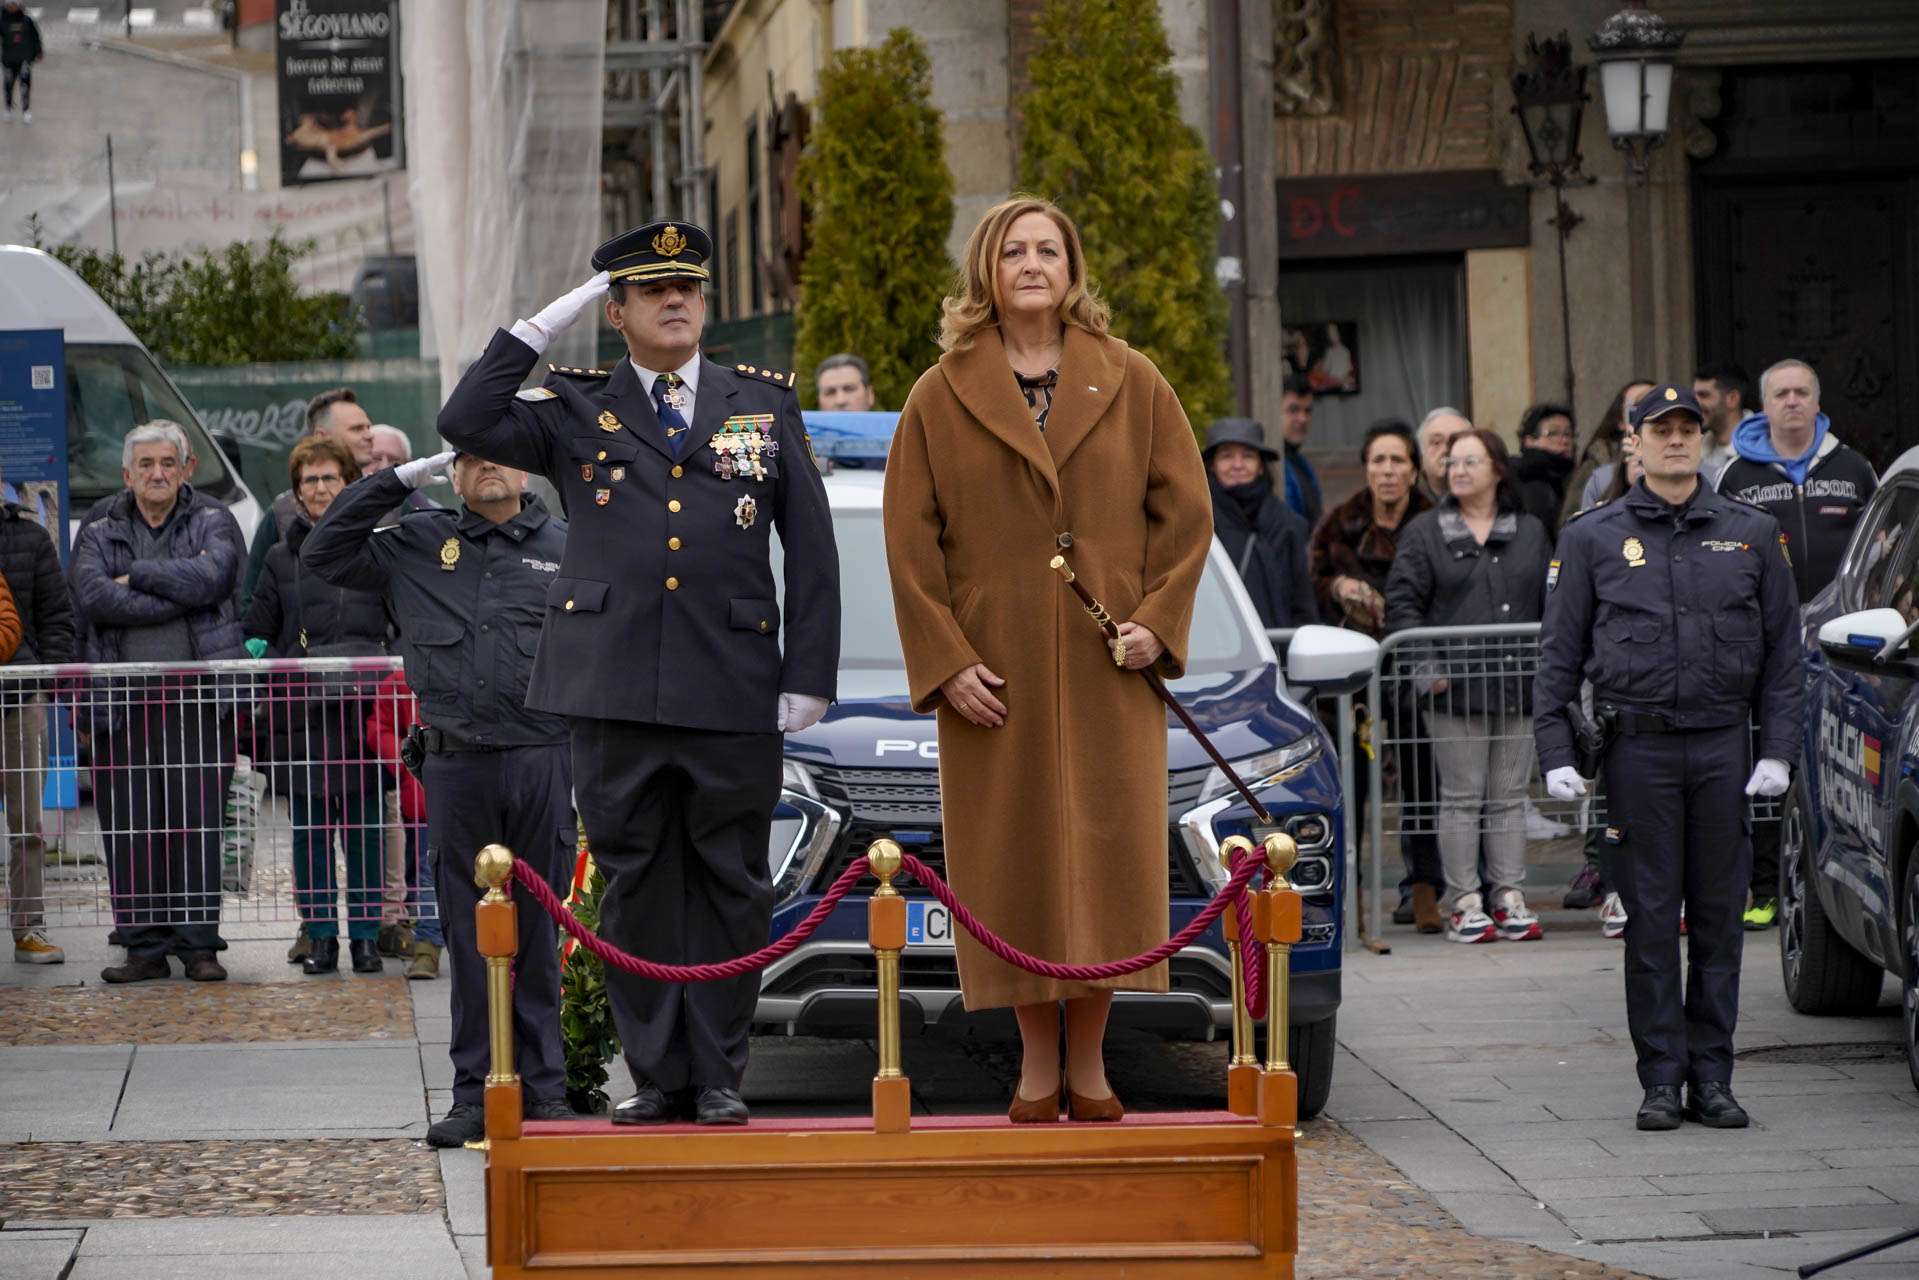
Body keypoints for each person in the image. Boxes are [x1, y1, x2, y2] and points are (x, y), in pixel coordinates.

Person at [436, 218, 841, 1129]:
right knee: (635, 882)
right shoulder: (576, 405)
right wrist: (541, 326)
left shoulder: (761, 403)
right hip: (613, 687)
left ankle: (721, 1072)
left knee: (731, 880)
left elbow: (811, 548)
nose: (674, 302)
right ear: (616, 311)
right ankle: (659, 1075)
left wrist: (806, 672)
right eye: (652, 292)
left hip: (732, 685)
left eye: (687, 290)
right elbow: (464, 421)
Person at [883, 195, 1211, 1123]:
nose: (1032, 263)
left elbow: (1185, 518)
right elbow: (909, 545)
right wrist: (946, 663)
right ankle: (1034, 1063)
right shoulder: (938, 393)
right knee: (1014, 864)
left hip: (1111, 667)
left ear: (1072, 268)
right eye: (1014, 251)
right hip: (997, 676)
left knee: (1107, 862)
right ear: (987, 272)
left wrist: (1158, 622)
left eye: (1049, 249)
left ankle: (1093, 1062)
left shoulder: (1133, 379)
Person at [1535, 383, 1802, 1132]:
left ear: (1702, 438)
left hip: (1721, 745)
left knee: (1718, 920)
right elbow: (1557, 654)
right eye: (1661, 430)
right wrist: (1555, 749)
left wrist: (1776, 750)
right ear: (1635, 441)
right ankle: (1660, 1079)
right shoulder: (1591, 537)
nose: (1676, 440)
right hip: (1638, 753)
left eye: (1688, 428)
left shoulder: (1749, 532)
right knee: (1650, 921)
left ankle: (1711, 1078)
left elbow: (1784, 653)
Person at [303, 447, 576, 1144]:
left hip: (543, 756)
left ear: (526, 471)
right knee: (465, 930)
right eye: (472, 459)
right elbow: (324, 551)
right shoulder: (419, 544)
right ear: (451, 474)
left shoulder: (568, 546)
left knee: (538, 931)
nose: (490, 468)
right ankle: (474, 1093)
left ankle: (544, 1090)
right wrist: (395, 479)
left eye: (503, 457)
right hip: (458, 765)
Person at [70, 421, 245, 984]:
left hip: (198, 703)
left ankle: (198, 946)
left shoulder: (214, 518)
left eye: (168, 463)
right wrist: (177, 597)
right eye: (145, 464)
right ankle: (142, 947)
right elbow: (95, 595)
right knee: (130, 826)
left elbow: (214, 577)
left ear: (186, 468)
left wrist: (139, 576)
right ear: (127, 474)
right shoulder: (98, 526)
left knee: (196, 824)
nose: (157, 473)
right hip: (121, 706)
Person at [1714, 358, 1875, 931]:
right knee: (1766, 767)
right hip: (1761, 647)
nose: (1792, 402)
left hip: (1839, 645)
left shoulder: (1854, 468)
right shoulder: (1735, 477)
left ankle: (1833, 886)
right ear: (1764, 404)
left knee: (1834, 766)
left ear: (1817, 398)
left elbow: (1878, 553)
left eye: (1801, 392)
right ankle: (1764, 889)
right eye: (1780, 393)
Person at [1386, 429, 1552, 943]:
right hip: (1451, 691)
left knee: (1507, 797)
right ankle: (1464, 900)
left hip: (1517, 685)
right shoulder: (1425, 532)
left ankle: (1508, 895)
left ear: (1498, 470)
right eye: (1452, 462)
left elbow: (1553, 602)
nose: (1458, 470)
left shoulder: (1528, 531)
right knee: (1461, 796)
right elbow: (1403, 605)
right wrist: (1424, 668)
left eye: (1470, 461)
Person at [243, 438, 391, 976]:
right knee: (308, 835)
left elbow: (401, 622)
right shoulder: (282, 557)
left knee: (365, 832)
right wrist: (267, 662)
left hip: (365, 712)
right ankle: (323, 936)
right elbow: (257, 628)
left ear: (350, 482)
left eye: (330, 477)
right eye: (310, 480)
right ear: (297, 492)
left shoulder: (378, 548)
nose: (321, 488)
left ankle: (368, 937)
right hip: (303, 714)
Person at [1309, 420, 1442, 929]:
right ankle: (1353, 895)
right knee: (1355, 783)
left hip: (1416, 671)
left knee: (1420, 778)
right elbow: (1314, 580)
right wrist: (1340, 587)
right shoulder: (1338, 523)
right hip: (1356, 678)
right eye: (1378, 461)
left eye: (1398, 461)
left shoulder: (1434, 520)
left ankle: (1425, 888)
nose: (1387, 472)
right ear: (1366, 469)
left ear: (1413, 470)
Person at [0, 470, 76, 965]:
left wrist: (40, 684)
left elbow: (57, 617)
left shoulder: (27, 536)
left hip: (18, 696)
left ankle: (28, 927)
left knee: (27, 822)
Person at [243, 388, 377, 608]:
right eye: (356, 429)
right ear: (321, 437)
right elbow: (252, 603)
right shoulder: (279, 516)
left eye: (368, 427)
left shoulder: (390, 507)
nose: (369, 435)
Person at [1203, 418, 1315, 628]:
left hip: (1277, 649)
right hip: (1216, 646)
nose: (1238, 465)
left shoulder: (1289, 524)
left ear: (1261, 466)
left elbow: (1303, 602)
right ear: (1212, 465)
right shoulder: (1198, 522)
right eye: (1227, 456)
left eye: (1248, 456)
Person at [364, 668, 439, 979]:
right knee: (428, 871)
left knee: (430, 871)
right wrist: (404, 758)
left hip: (439, 790)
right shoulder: (399, 680)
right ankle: (428, 945)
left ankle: (430, 943)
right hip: (422, 797)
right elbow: (378, 728)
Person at [1563, 379, 1654, 523]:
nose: (1646, 415)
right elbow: (1573, 527)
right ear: (1620, 420)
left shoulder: (1691, 464)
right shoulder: (1597, 473)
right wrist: (1625, 485)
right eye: (1636, 409)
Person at [1512, 403, 1576, 537]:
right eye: (1553, 433)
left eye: (1568, 434)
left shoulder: (1576, 476)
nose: (1564, 440)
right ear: (1529, 440)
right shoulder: (1521, 476)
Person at [1278, 375, 1322, 530]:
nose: (1302, 418)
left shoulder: (1300, 462)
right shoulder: (1269, 465)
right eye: (1293, 410)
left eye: (1307, 411)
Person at [1693, 362, 1751, 480]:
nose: (1695, 403)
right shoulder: (1697, 451)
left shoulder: (1765, 443)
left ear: (1732, 399)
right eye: (1694, 396)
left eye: (1703, 395)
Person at [1, 0, 40, 124]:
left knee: (25, 87)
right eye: (9, 4)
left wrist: (38, 51)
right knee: (8, 86)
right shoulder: (2, 20)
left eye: (14, 4)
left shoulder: (27, 20)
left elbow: (35, 37)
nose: (12, 7)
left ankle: (26, 111)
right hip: (8, 60)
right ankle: (8, 109)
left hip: (24, 60)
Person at [1415, 408, 1465, 502]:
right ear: (1421, 459)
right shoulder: (1405, 508)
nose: (1446, 449)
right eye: (1437, 442)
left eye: (1455, 441)